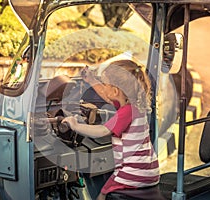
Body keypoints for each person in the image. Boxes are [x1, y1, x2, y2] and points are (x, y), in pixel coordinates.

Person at [62, 59, 160, 200]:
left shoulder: (126, 112)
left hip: (133, 173)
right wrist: (90, 79)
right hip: (149, 171)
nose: (104, 86)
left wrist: (75, 125)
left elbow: (102, 131)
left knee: (102, 194)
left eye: (106, 83)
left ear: (115, 91)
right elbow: (107, 96)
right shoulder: (136, 106)